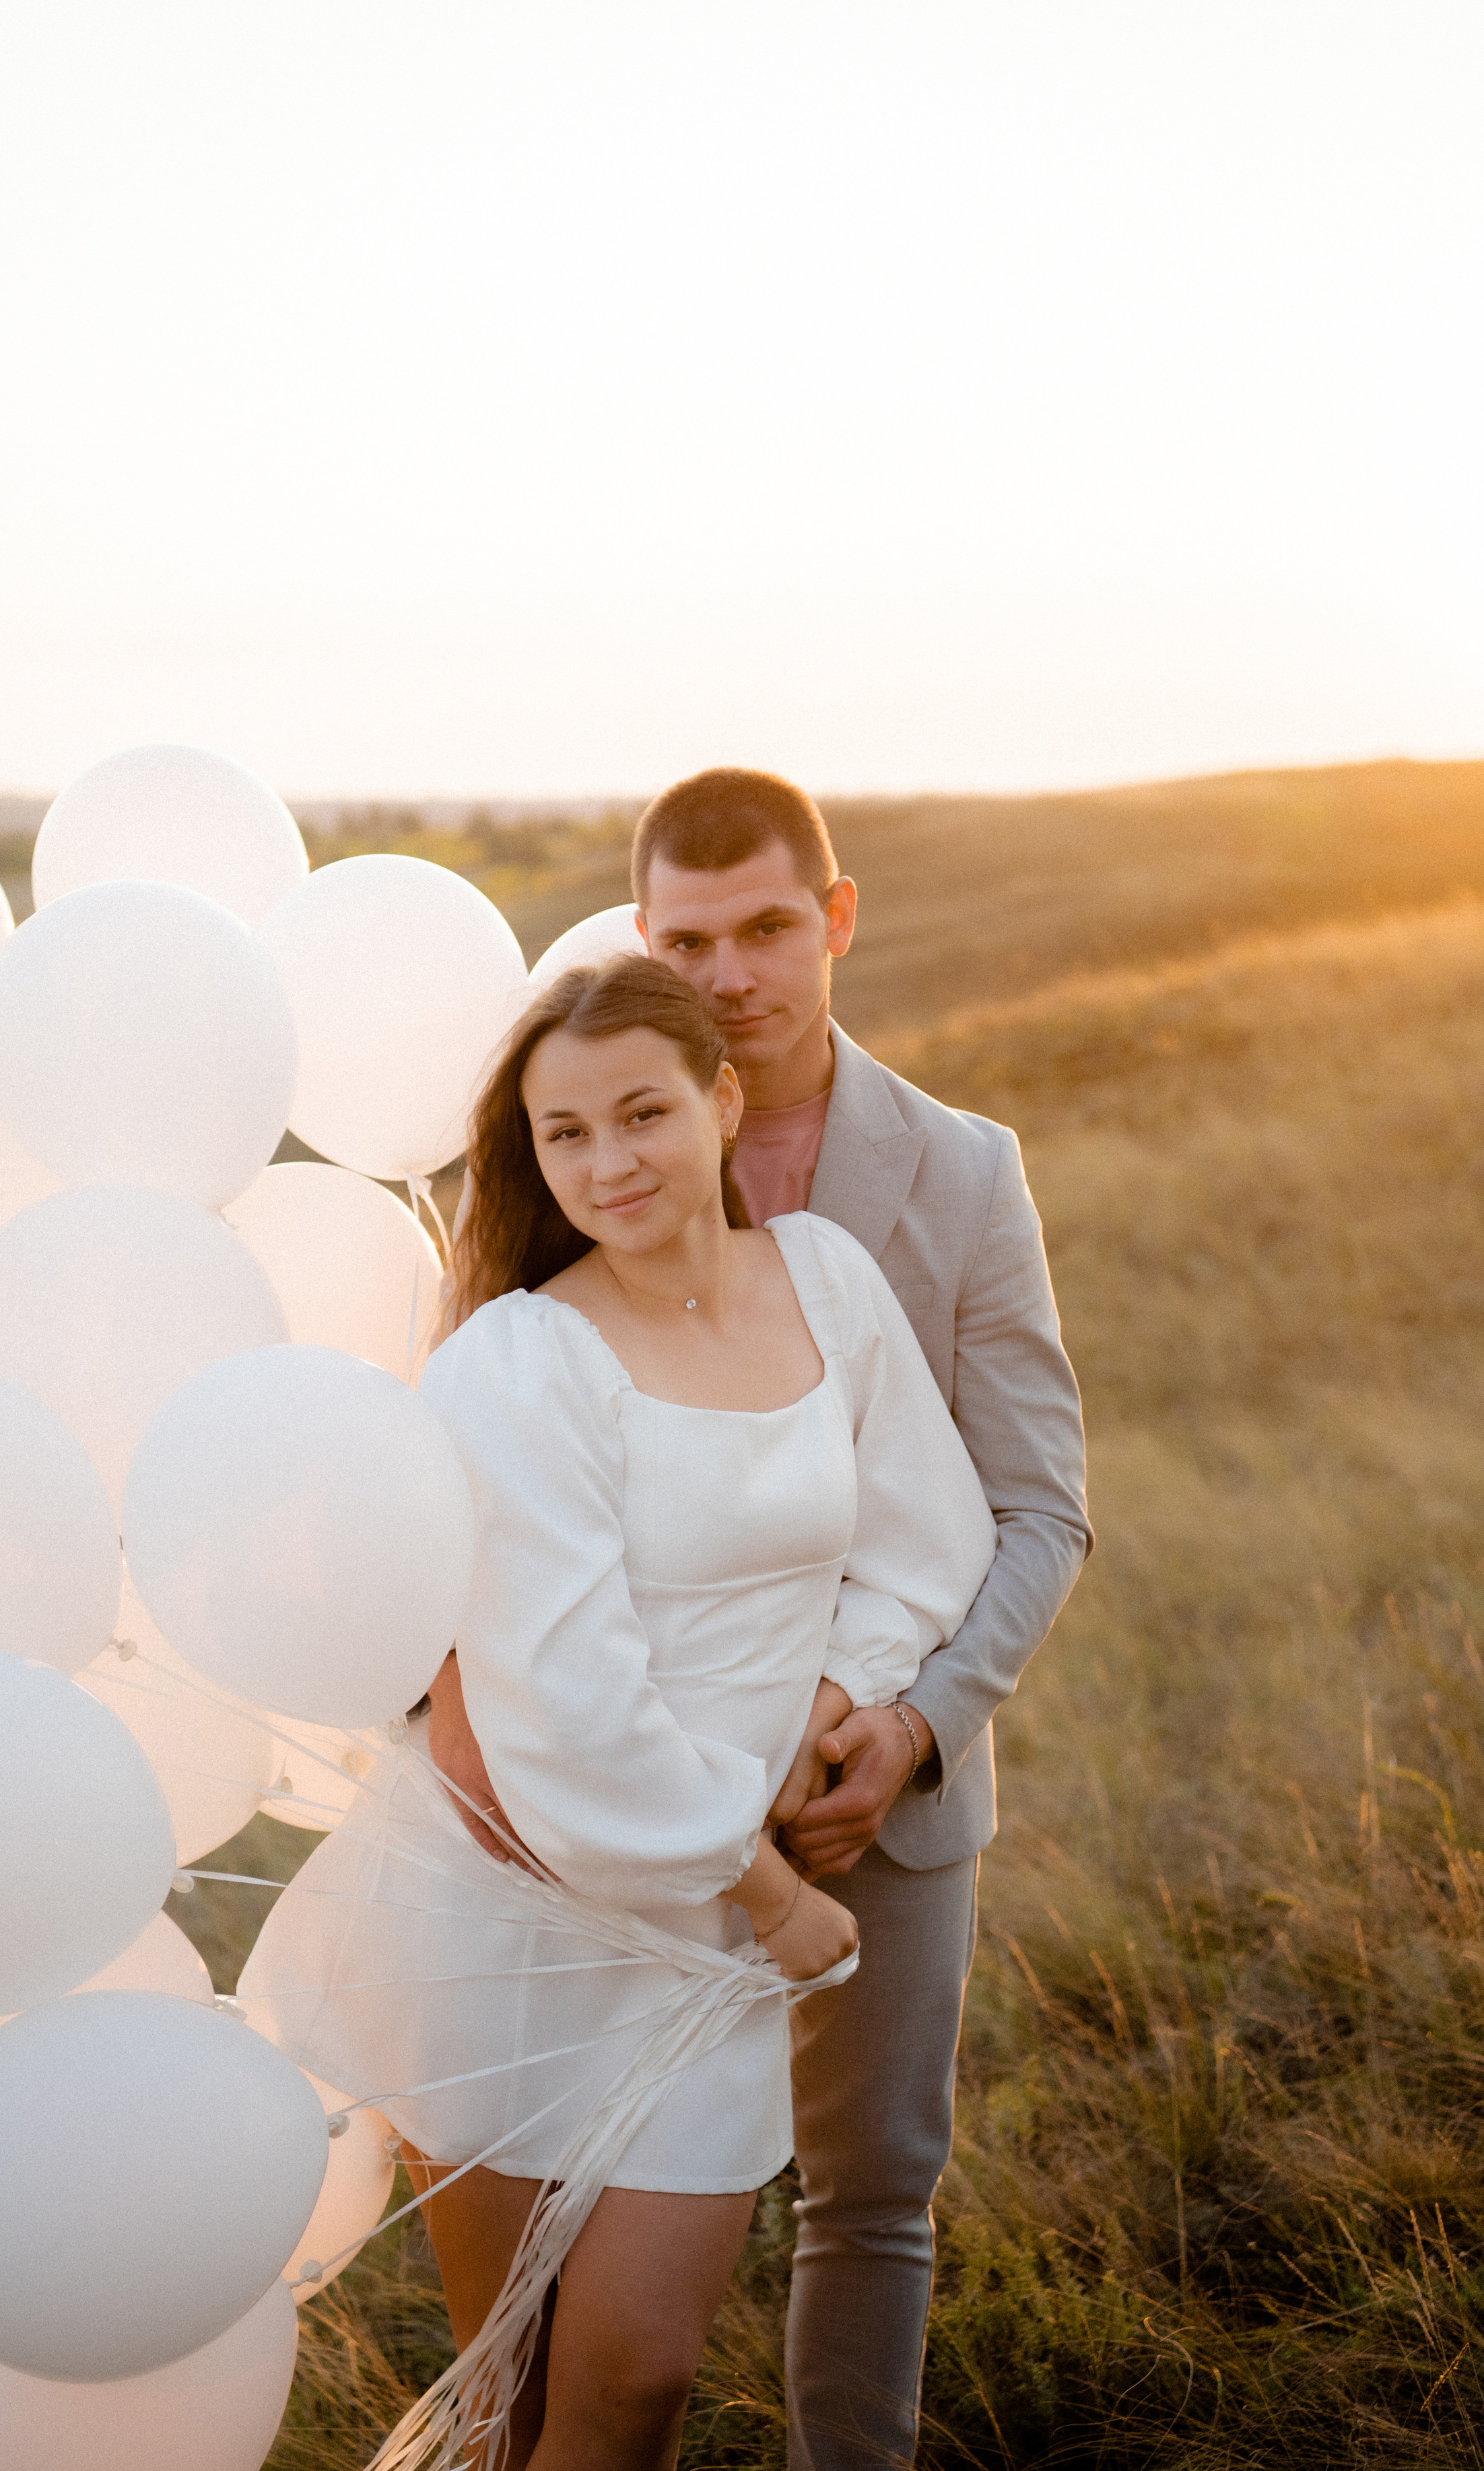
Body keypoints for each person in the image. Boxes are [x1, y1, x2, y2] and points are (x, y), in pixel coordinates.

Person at [243, 955, 997, 2471]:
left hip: (697, 1947)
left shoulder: (828, 1284)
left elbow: (926, 1532)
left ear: (723, 1103)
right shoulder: (519, 1364)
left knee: (640, 2379)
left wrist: (840, 1692)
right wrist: (766, 1884)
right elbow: (564, 1702)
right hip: (521, 1911)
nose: (607, 1163)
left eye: (641, 1113)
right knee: (514, 2391)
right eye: (564, 1135)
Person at [432, 769, 1092, 2468]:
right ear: (643, 944)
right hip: (602, 1826)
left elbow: (1024, 1505)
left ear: (834, 918)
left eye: (765, 930)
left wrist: (904, 1715)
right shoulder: (573, 1168)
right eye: (686, 939)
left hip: (881, 1773)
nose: (730, 969)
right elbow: (461, 1513)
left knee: (869, 2192)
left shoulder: (954, 1176)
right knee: (592, 2335)